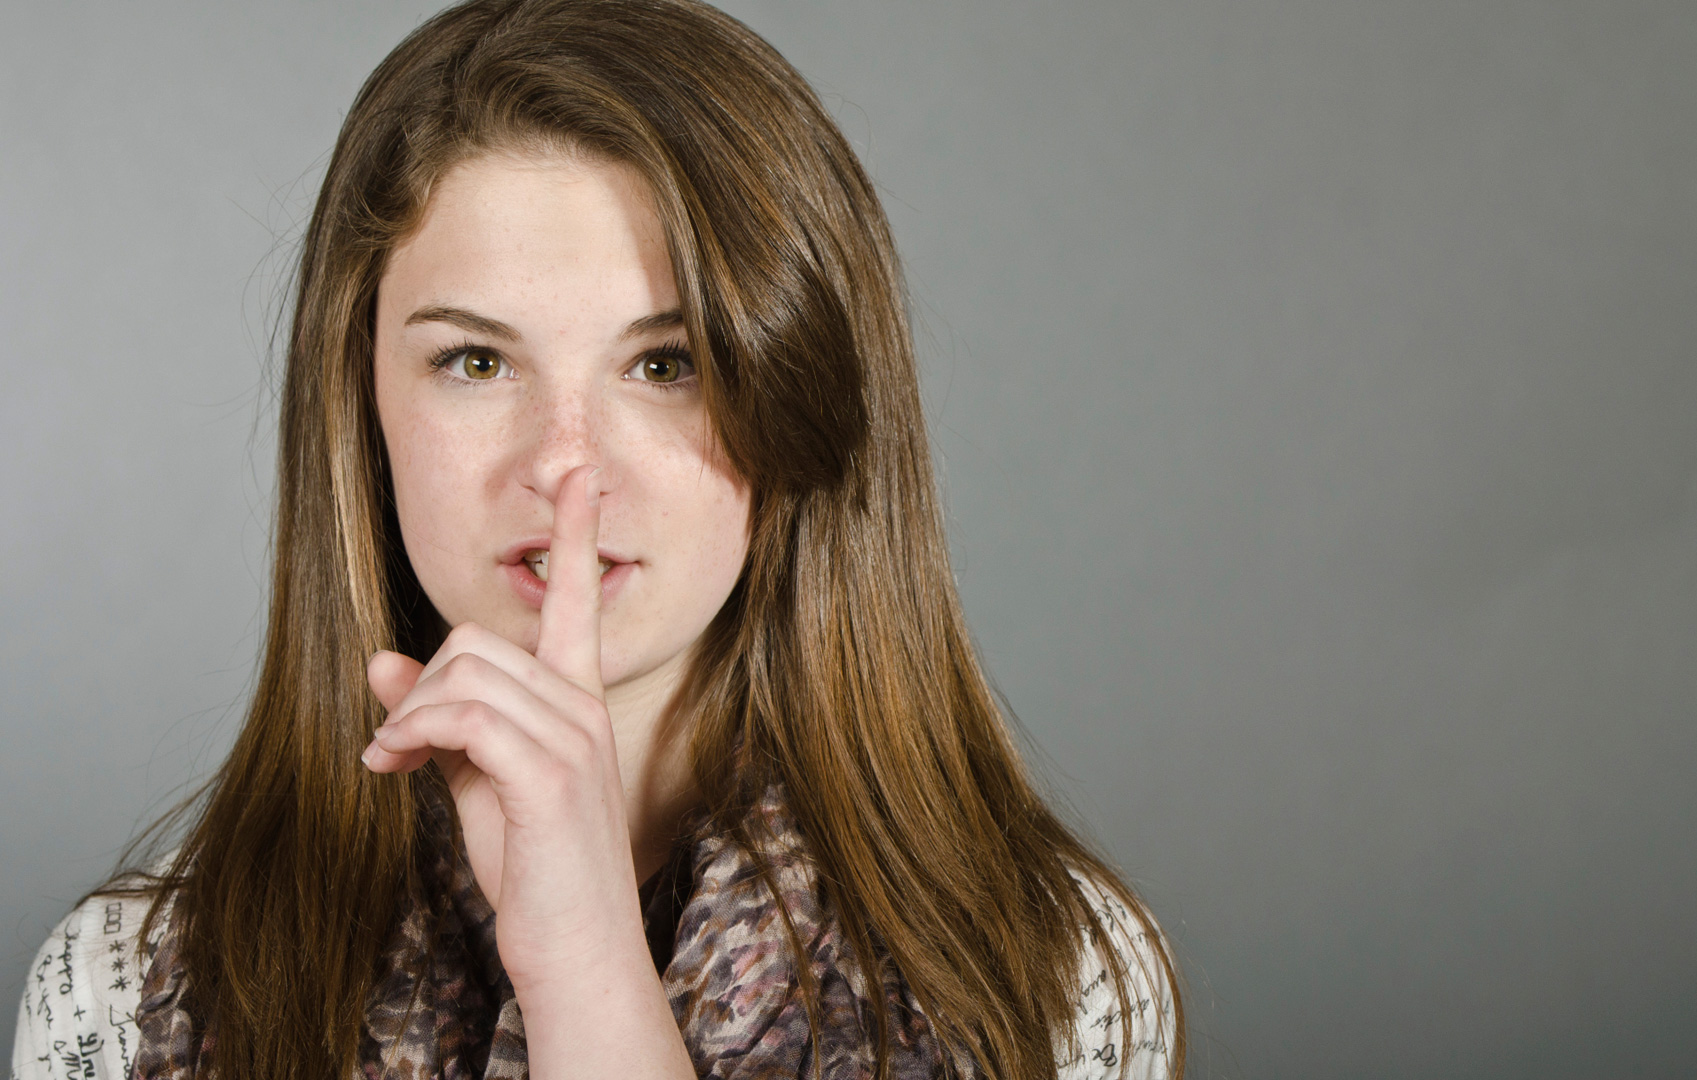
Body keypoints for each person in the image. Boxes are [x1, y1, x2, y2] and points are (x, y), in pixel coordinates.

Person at [10, 1, 1182, 1077]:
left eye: (665, 365)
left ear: (796, 396)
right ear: (362, 402)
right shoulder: (120, 997)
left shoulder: (1058, 978)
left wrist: (586, 977)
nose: (566, 461)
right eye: (475, 361)